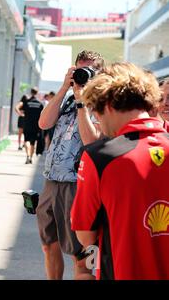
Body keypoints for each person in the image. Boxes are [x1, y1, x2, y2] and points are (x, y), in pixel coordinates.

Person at [71, 62, 169, 279]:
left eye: (96, 112)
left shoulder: (100, 157)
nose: (99, 121)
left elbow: (85, 236)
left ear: (108, 106)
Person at [37, 50, 105, 280]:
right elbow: (44, 122)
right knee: (49, 245)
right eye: (80, 69)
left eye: (89, 70)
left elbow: (91, 141)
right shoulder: (66, 96)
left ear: (100, 74)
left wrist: (81, 102)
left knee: (80, 255)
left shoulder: (102, 102)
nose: (84, 75)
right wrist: (65, 88)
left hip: (79, 184)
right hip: (52, 180)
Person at [20, 87, 43, 164]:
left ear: (31, 92)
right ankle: (31, 157)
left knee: (26, 140)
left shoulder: (27, 103)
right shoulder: (40, 104)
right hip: (35, 126)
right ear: (37, 93)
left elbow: (21, 110)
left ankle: (27, 156)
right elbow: (42, 115)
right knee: (33, 142)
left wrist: (23, 115)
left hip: (27, 125)